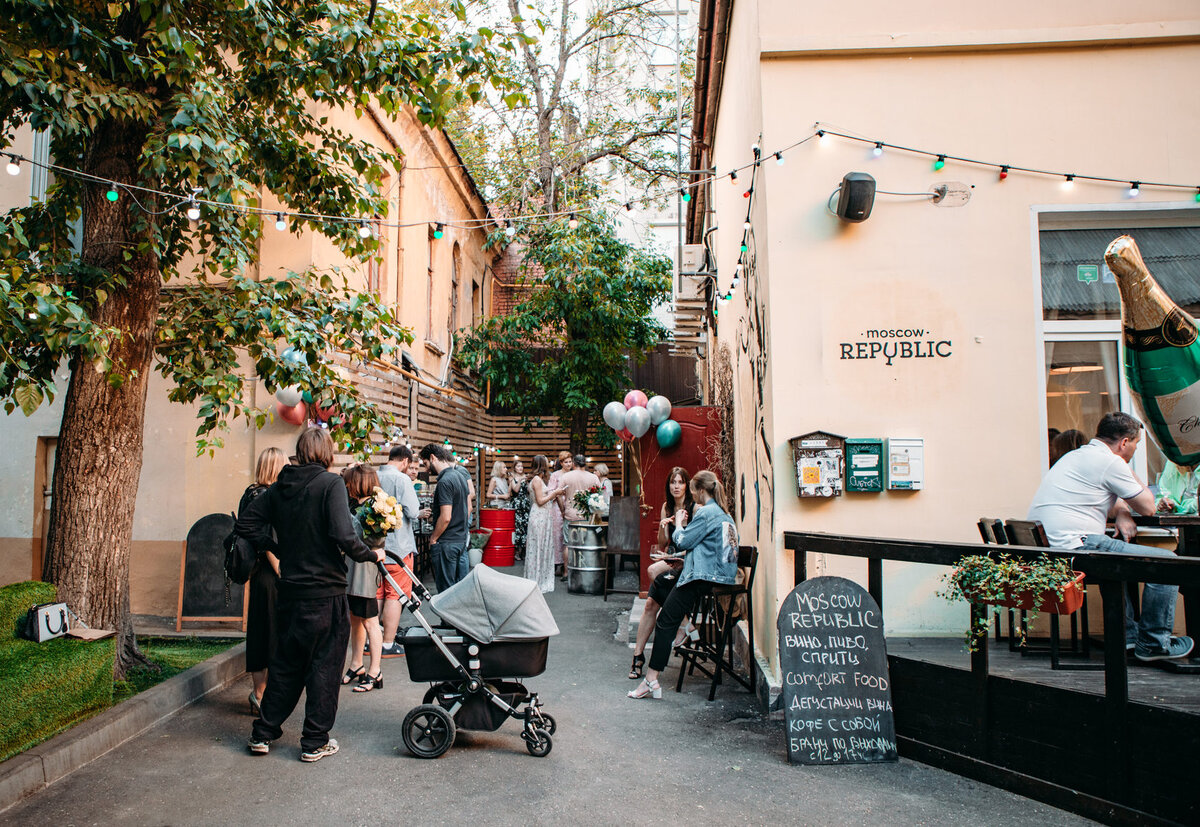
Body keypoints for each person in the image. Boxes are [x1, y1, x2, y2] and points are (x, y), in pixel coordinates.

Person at [238, 428, 385, 761]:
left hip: (289, 591)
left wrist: (276, 546)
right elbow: (344, 536)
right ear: (327, 452)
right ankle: (314, 740)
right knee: (325, 667)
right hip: (325, 591)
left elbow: (245, 525)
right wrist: (370, 554)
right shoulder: (330, 484)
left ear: (300, 451)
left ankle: (263, 734)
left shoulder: (278, 488)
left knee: (287, 665)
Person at [1027, 412, 1193, 662]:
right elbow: (1148, 506)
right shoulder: (1110, 462)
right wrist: (1126, 469)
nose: (1136, 449)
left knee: (1119, 560)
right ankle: (1153, 643)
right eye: (1136, 444)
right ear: (1124, 443)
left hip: (1058, 548)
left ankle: (1127, 636)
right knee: (1167, 562)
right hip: (1078, 547)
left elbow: (1106, 497)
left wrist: (1123, 512)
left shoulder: (1077, 456)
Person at [628, 470, 739, 699]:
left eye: (691, 490)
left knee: (665, 620)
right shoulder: (722, 513)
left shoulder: (706, 512)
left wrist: (679, 523)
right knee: (659, 582)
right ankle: (686, 627)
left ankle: (651, 680)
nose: (691, 494)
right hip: (714, 576)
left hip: (705, 579)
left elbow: (682, 540)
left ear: (699, 490)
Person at [628, 467, 695, 680]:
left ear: (687, 485)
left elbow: (693, 542)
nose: (676, 486)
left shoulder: (695, 508)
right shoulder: (667, 506)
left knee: (652, 570)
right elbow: (664, 543)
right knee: (649, 605)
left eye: (680, 482)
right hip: (672, 558)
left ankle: (684, 623)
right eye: (672, 482)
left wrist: (680, 525)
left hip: (688, 560)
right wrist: (664, 526)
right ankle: (638, 657)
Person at [242, 446, 286, 715]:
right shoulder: (268, 496)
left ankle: (259, 691)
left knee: (261, 629)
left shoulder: (249, 493)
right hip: (270, 574)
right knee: (270, 631)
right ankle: (261, 694)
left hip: (257, 574)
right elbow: (266, 539)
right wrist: (281, 569)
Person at [341, 464, 384, 693]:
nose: (348, 484)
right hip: (350, 567)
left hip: (365, 569)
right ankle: (356, 664)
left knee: (370, 621)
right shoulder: (354, 504)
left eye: (351, 480)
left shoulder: (376, 506)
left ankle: (375, 670)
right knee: (355, 618)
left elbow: (376, 541)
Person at [377, 445, 419, 657]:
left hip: (376, 546)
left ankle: (371, 640)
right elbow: (413, 510)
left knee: (377, 593)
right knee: (396, 594)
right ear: (404, 461)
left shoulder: (374, 475)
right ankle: (387, 643)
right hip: (398, 547)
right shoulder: (402, 480)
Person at [418, 443, 472, 591]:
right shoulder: (460, 477)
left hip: (446, 543)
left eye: (426, 464)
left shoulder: (444, 482)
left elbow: (446, 516)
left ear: (433, 457)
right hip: (459, 540)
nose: (426, 469)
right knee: (458, 590)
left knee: (446, 592)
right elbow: (467, 507)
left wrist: (433, 538)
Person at [524, 455, 567, 593]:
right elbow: (540, 501)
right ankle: (536, 580)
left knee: (543, 547)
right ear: (542, 464)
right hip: (539, 516)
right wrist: (554, 493)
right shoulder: (536, 480)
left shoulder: (539, 479)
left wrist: (553, 491)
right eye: (547, 461)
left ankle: (541, 578)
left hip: (544, 516)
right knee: (538, 547)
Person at [558, 453, 601, 523]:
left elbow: (558, 495)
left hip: (570, 514)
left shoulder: (565, 476)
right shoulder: (593, 477)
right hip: (587, 514)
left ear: (573, 464)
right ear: (585, 464)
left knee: (569, 534)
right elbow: (599, 495)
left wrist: (563, 510)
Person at [549, 452, 571, 577]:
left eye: (570, 461)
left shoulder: (572, 474)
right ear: (561, 463)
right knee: (557, 535)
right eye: (566, 462)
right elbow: (551, 491)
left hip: (569, 504)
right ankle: (555, 563)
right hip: (557, 507)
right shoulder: (555, 475)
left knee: (566, 536)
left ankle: (565, 565)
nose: (569, 464)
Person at [510, 459, 531, 561]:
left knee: (525, 525)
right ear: (514, 467)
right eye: (518, 466)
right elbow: (516, 490)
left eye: (522, 466)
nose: (520, 468)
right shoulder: (512, 478)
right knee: (517, 526)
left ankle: (523, 551)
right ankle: (516, 551)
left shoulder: (525, 477)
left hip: (525, 503)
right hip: (517, 503)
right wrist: (520, 480)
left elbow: (527, 491)